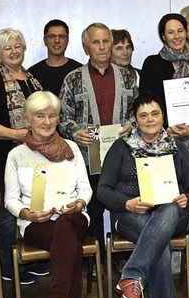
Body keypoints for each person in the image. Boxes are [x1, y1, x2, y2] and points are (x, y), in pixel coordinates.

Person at [97, 94, 189, 298]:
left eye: (155, 114)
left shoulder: (177, 148)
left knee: (170, 209)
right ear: (135, 120)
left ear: (163, 116)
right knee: (159, 244)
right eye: (143, 115)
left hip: (172, 213)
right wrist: (127, 203)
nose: (150, 119)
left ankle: (132, 275)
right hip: (131, 214)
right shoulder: (121, 147)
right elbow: (103, 190)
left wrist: (187, 198)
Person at [5, 91, 92, 298]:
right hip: (37, 223)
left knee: (65, 227)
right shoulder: (16, 155)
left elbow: (86, 189)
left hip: (74, 216)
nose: (46, 122)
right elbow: (11, 199)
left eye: (52, 116)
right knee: (68, 243)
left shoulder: (71, 148)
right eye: (40, 116)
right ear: (27, 120)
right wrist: (26, 214)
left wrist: (79, 203)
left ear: (58, 119)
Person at [59, 22, 139, 259]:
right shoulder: (72, 79)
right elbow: (63, 117)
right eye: (96, 42)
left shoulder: (127, 77)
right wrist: (75, 132)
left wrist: (130, 125)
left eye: (106, 41)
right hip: (88, 157)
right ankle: (96, 261)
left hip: (122, 157)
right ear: (86, 47)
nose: (102, 47)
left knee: (123, 204)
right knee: (93, 208)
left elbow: (137, 112)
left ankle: (122, 258)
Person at [0, 28, 46, 285]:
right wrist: (16, 133)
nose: (14, 51)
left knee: (34, 205)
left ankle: (32, 259)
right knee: (8, 215)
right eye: (8, 48)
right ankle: (9, 266)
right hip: (5, 159)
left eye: (18, 46)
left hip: (35, 158)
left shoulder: (32, 79)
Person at [139, 13, 189, 159]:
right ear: (163, 36)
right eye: (171, 32)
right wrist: (165, 127)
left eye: (180, 31)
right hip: (159, 140)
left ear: (186, 32)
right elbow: (145, 102)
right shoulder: (152, 63)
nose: (177, 36)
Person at [29, 19, 83, 96]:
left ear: (67, 40)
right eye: (52, 36)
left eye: (61, 36)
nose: (57, 40)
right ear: (45, 40)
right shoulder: (32, 74)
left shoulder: (79, 71)